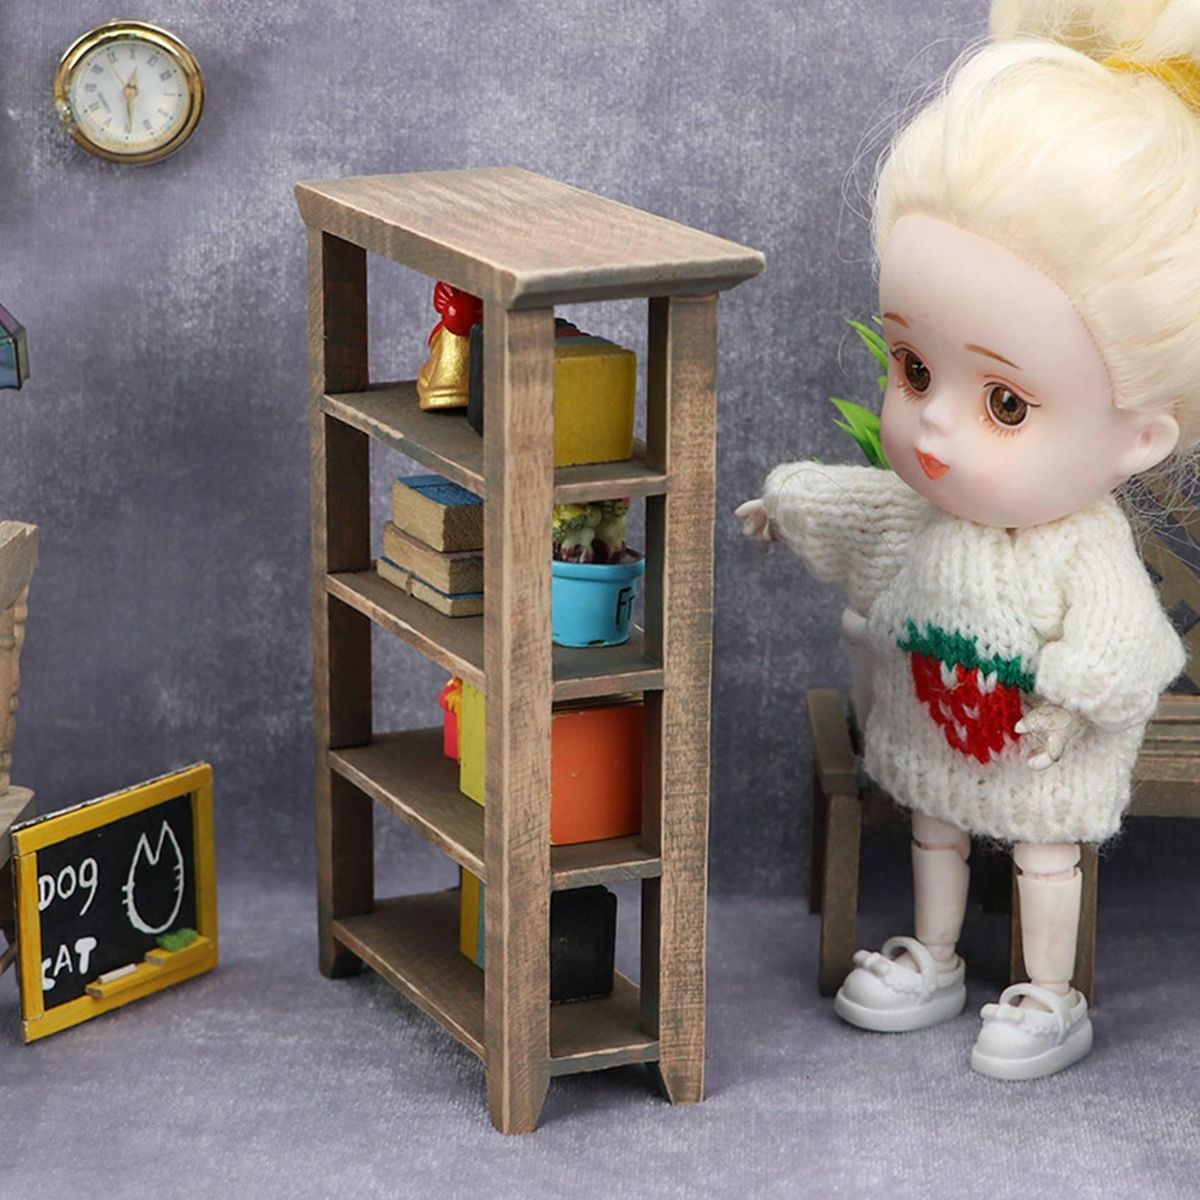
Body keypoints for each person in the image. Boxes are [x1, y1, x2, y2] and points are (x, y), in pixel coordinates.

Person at [737, 0, 1200, 1080]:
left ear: (1138, 439)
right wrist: (788, 507)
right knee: (934, 829)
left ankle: (1049, 991)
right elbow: (864, 514)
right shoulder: (927, 513)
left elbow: (1132, 642)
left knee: (1046, 856)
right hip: (936, 735)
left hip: (1039, 745)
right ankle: (935, 956)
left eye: (1005, 403)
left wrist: (1072, 698)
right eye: (912, 370)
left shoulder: (1082, 549)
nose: (934, 428)